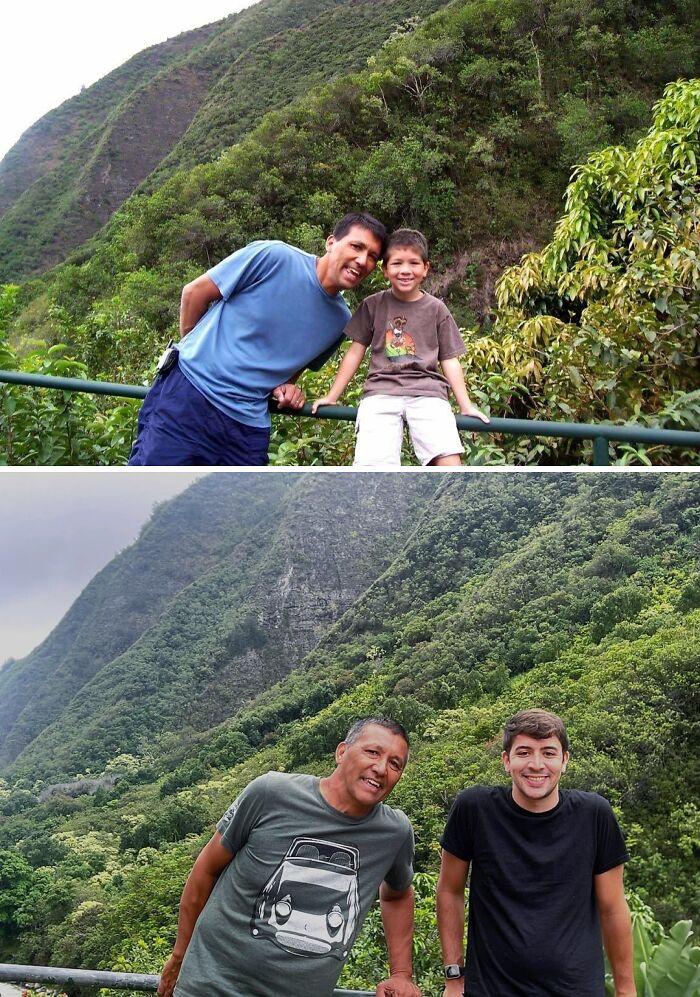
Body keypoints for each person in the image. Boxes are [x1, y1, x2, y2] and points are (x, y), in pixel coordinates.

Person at [158, 717, 421, 997]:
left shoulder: (393, 833)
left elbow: (398, 894)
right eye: (373, 752)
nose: (381, 769)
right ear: (342, 752)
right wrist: (179, 955)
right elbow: (205, 870)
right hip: (211, 987)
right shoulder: (270, 793)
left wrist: (401, 974)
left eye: (395, 764)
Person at [128, 212, 386, 466]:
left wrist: (288, 390)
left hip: (247, 428)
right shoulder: (275, 257)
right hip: (189, 399)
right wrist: (197, 358)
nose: (362, 260)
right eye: (356, 246)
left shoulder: (340, 321)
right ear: (331, 242)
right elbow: (194, 293)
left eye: (372, 256)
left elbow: (289, 373)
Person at [436, 709, 636, 997]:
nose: (537, 764)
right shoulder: (475, 808)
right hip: (491, 990)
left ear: (565, 760)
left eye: (549, 753)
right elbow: (450, 890)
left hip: (576, 990)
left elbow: (613, 907)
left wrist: (626, 991)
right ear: (506, 760)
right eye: (524, 752)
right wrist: (454, 977)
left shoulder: (594, 815)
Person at [311, 228, 488, 466]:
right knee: (373, 467)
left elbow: (449, 359)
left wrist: (465, 405)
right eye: (396, 263)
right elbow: (355, 352)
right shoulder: (372, 305)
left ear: (425, 268)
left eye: (414, 263)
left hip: (428, 394)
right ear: (385, 269)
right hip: (380, 392)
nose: (405, 270)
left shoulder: (437, 309)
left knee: (449, 463)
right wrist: (332, 396)